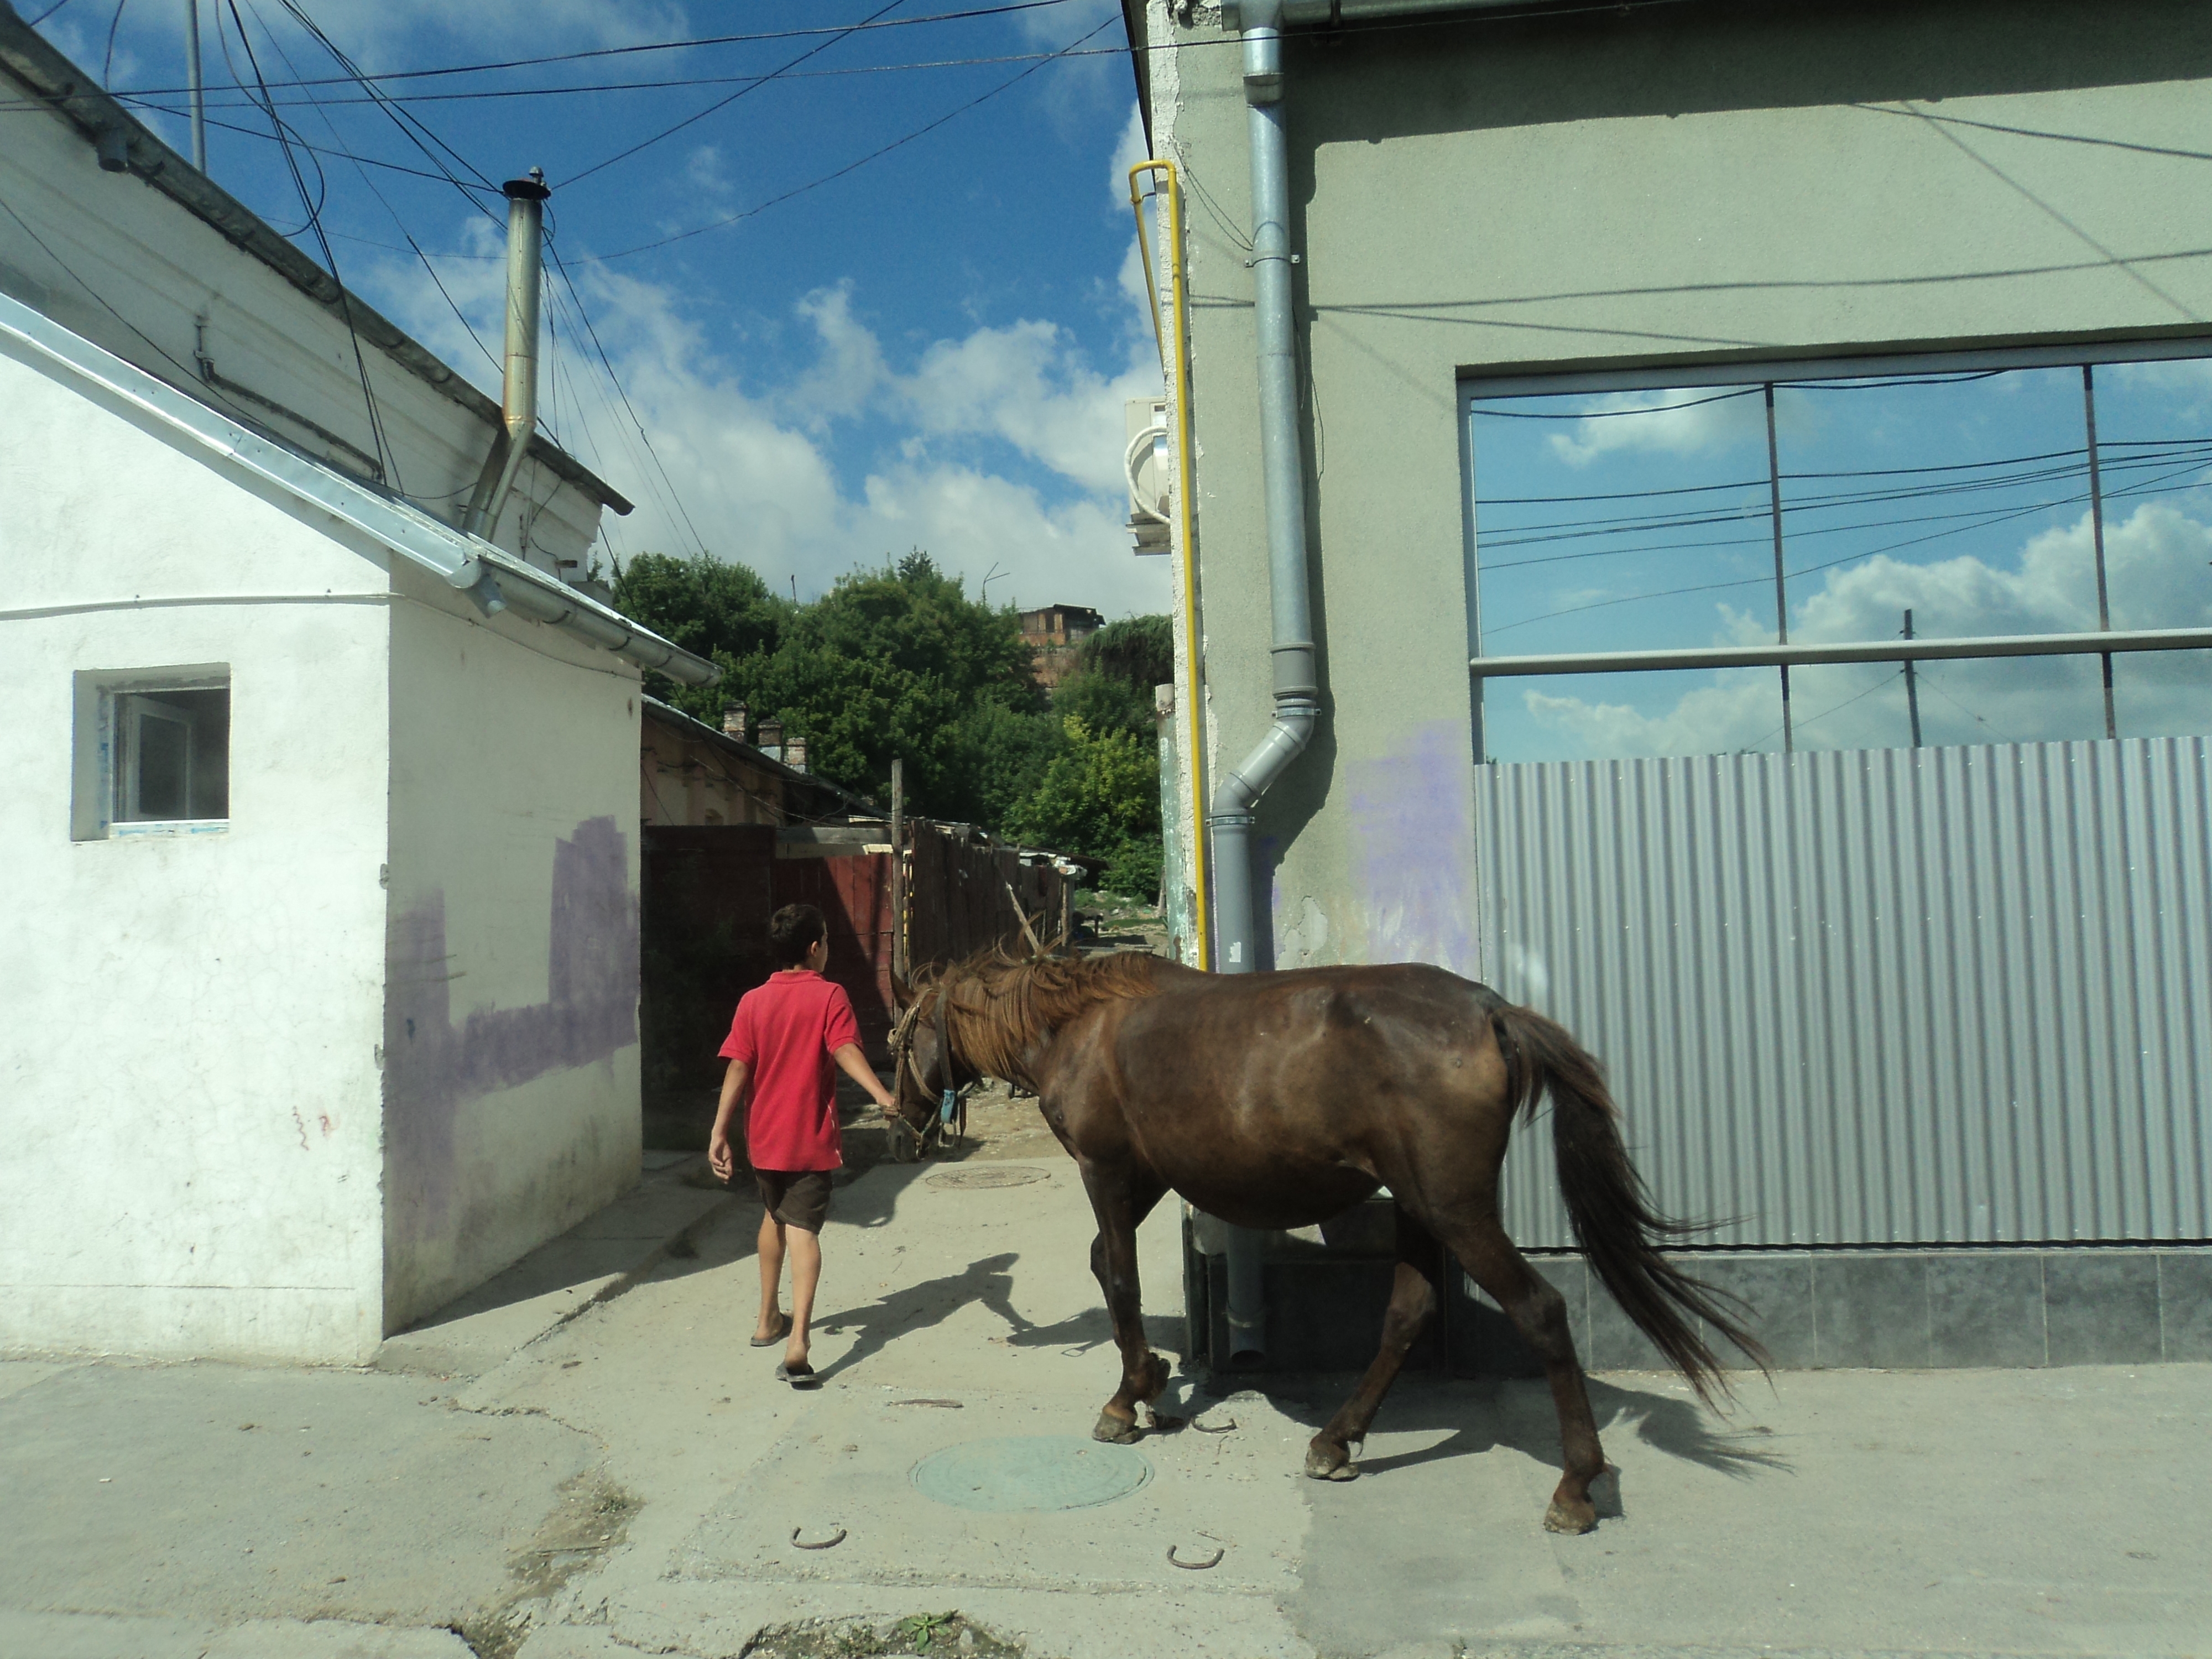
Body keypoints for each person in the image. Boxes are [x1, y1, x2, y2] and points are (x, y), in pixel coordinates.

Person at [708, 902, 899, 1389]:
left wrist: (719, 1132)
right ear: (814, 948)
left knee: (774, 1216)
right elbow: (844, 1049)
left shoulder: (753, 1001)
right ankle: (798, 1344)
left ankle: (766, 1320)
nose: (828, 949)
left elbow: (737, 1067)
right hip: (808, 1139)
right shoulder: (830, 995)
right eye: (828, 941)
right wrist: (881, 1094)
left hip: (764, 1139)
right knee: (804, 1231)